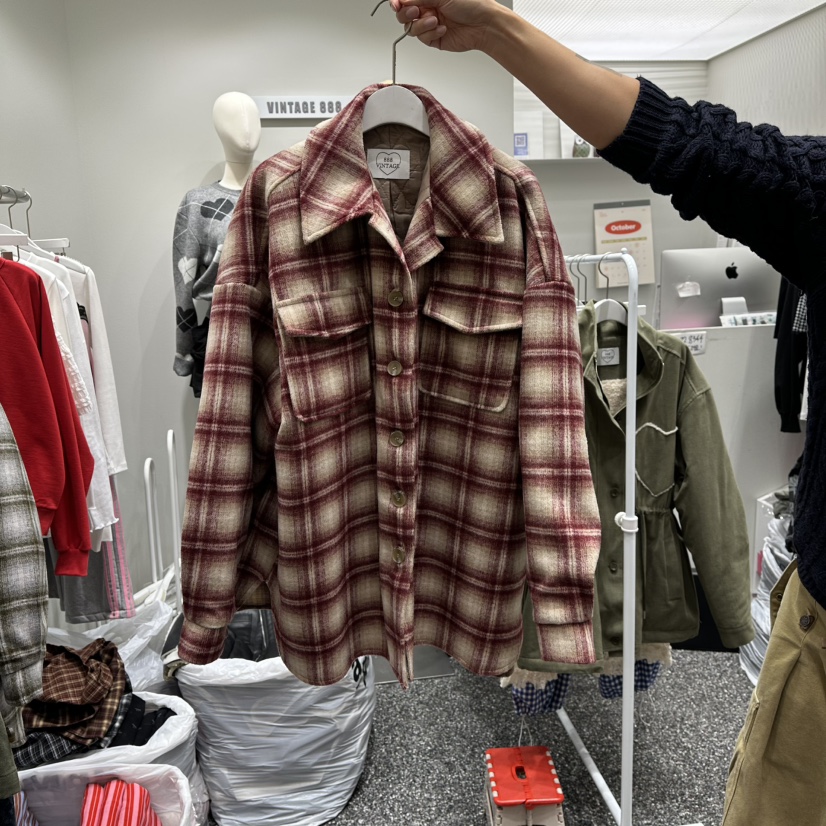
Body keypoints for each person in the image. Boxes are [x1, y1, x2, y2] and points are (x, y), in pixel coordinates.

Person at [389, 2, 826, 824]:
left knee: (630, 684)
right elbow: (697, 146)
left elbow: (711, 497)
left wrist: (727, 613)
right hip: (564, 587)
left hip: (643, 592)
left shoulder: (669, 367)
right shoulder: (530, 354)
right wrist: (498, 29)